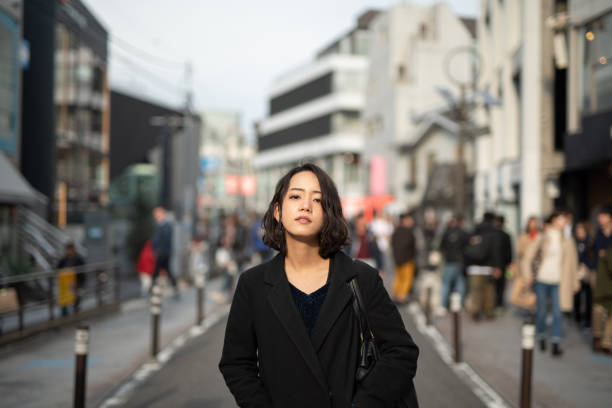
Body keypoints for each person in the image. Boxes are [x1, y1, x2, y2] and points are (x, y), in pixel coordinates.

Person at [219, 163, 419, 407]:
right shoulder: (253, 284)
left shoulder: (360, 279)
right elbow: (236, 363)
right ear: (277, 211)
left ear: (329, 214)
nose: (305, 205)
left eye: (318, 200)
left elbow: (401, 353)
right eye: (295, 196)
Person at [521, 211, 579, 357]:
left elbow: (573, 263)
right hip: (542, 279)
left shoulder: (567, 239)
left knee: (558, 313)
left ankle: (555, 342)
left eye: (564, 218)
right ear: (553, 221)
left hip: (560, 281)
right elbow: (527, 257)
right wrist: (528, 275)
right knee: (541, 312)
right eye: (560, 218)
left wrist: (575, 282)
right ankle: (541, 336)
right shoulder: (543, 237)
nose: (563, 221)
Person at [465, 212, 503, 320]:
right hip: (488, 268)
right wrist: (497, 266)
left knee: (475, 291)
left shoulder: (475, 230)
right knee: (489, 291)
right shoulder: (493, 232)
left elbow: (467, 249)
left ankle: (475, 312)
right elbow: (496, 251)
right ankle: (488, 312)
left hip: (473, 268)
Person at [592, 205, 612, 353]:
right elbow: (592, 254)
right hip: (600, 276)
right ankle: (597, 337)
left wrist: (606, 255)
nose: (600, 218)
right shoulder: (598, 234)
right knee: (598, 307)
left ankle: (607, 342)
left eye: (603, 215)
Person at [439, 215, 468, 310]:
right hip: (460, 262)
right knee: (460, 283)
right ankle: (460, 305)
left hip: (449, 261)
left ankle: (443, 305)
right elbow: (467, 247)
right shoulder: (463, 233)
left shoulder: (446, 233)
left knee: (446, 284)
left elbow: (441, 247)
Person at [151, 206, 178, 296]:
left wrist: (158, 250)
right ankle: (175, 289)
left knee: (156, 272)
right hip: (162, 252)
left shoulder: (165, 225)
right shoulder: (160, 224)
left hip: (163, 252)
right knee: (166, 271)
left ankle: (151, 290)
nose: (155, 215)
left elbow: (164, 239)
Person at [391, 212, 416, 304]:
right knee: (406, 278)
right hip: (407, 259)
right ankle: (402, 296)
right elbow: (410, 246)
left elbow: (393, 244)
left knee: (399, 277)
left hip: (398, 259)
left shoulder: (396, 231)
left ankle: (397, 294)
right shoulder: (408, 232)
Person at [573, 222, 594, 328]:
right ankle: (577, 317)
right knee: (577, 295)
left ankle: (587, 319)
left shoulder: (590, 243)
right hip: (577, 273)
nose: (579, 233)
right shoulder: (574, 243)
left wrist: (587, 266)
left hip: (587, 273)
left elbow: (593, 257)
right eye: (578, 231)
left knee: (588, 296)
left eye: (581, 231)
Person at [57, 243, 85, 316]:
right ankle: (65, 314)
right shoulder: (63, 260)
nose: (69, 251)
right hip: (65, 285)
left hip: (76, 283)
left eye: (70, 249)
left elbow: (82, 272)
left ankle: (76, 312)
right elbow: (58, 269)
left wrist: (81, 283)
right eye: (68, 250)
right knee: (65, 300)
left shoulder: (79, 259)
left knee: (76, 299)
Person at [494, 215, 513, 312]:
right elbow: (509, 252)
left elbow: (509, 251)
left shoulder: (493, 235)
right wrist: (509, 262)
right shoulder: (506, 236)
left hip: (495, 264)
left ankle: (497, 304)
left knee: (497, 286)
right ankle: (499, 304)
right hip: (502, 264)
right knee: (501, 286)